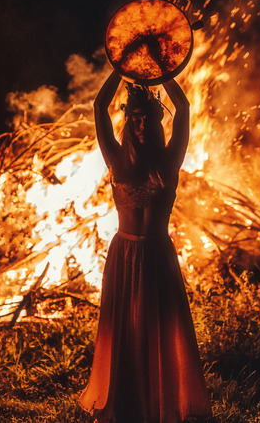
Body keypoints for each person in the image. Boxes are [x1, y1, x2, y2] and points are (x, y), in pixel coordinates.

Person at [79, 70, 211, 423]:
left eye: (147, 118)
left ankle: (161, 402)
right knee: (126, 330)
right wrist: (119, 69)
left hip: (156, 256)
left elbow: (182, 107)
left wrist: (163, 72)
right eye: (134, 118)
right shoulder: (114, 157)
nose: (140, 125)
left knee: (159, 329)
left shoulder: (170, 159)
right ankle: (125, 402)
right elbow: (98, 106)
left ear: (156, 122)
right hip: (123, 255)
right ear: (128, 122)